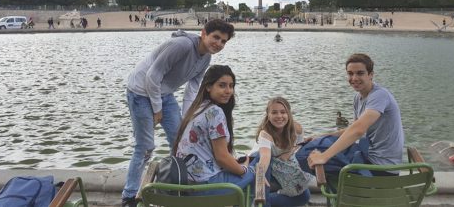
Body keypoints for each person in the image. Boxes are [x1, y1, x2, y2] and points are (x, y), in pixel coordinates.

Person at [121, 19, 235, 207]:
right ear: (203, 33)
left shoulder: (206, 57)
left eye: (224, 41)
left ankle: (177, 185)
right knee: (145, 147)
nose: (219, 44)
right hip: (141, 92)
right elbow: (152, 75)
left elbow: (192, 88)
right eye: (216, 37)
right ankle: (129, 195)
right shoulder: (181, 45)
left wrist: (190, 116)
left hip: (164, 93)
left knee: (179, 138)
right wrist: (157, 110)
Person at [307, 53, 404, 177]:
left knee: (312, 157)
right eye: (350, 73)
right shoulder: (358, 97)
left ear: (371, 75)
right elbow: (352, 129)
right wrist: (321, 136)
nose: (354, 78)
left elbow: (358, 130)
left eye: (360, 73)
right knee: (317, 145)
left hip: (382, 167)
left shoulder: (380, 95)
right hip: (368, 154)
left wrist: (324, 157)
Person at [174, 65, 256, 194]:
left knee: (254, 158)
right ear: (208, 87)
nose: (228, 91)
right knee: (256, 170)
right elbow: (222, 158)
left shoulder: (197, 108)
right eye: (222, 85)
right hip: (206, 185)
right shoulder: (215, 112)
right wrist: (244, 169)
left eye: (231, 86)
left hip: (186, 181)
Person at [253, 97, 311, 207]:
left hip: (285, 166)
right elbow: (264, 157)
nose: (279, 116)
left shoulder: (296, 128)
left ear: (289, 113)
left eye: (283, 112)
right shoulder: (265, 133)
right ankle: (261, 201)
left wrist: (288, 154)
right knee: (264, 160)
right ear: (268, 115)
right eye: (274, 112)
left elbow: (299, 148)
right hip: (265, 163)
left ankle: (259, 201)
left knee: (305, 196)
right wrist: (260, 174)